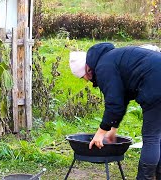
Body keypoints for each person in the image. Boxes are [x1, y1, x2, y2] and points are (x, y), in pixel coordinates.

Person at [69, 42, 161, 179]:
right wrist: (113, 128)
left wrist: (100, 133)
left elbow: (114, 104)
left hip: (155, 86)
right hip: (155, 77)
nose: (86, 80)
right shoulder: (110, 59)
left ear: (87, 70)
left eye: (83, 77)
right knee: (158, 135)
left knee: (151, 137)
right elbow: (122, 98)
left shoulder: (103, 68)